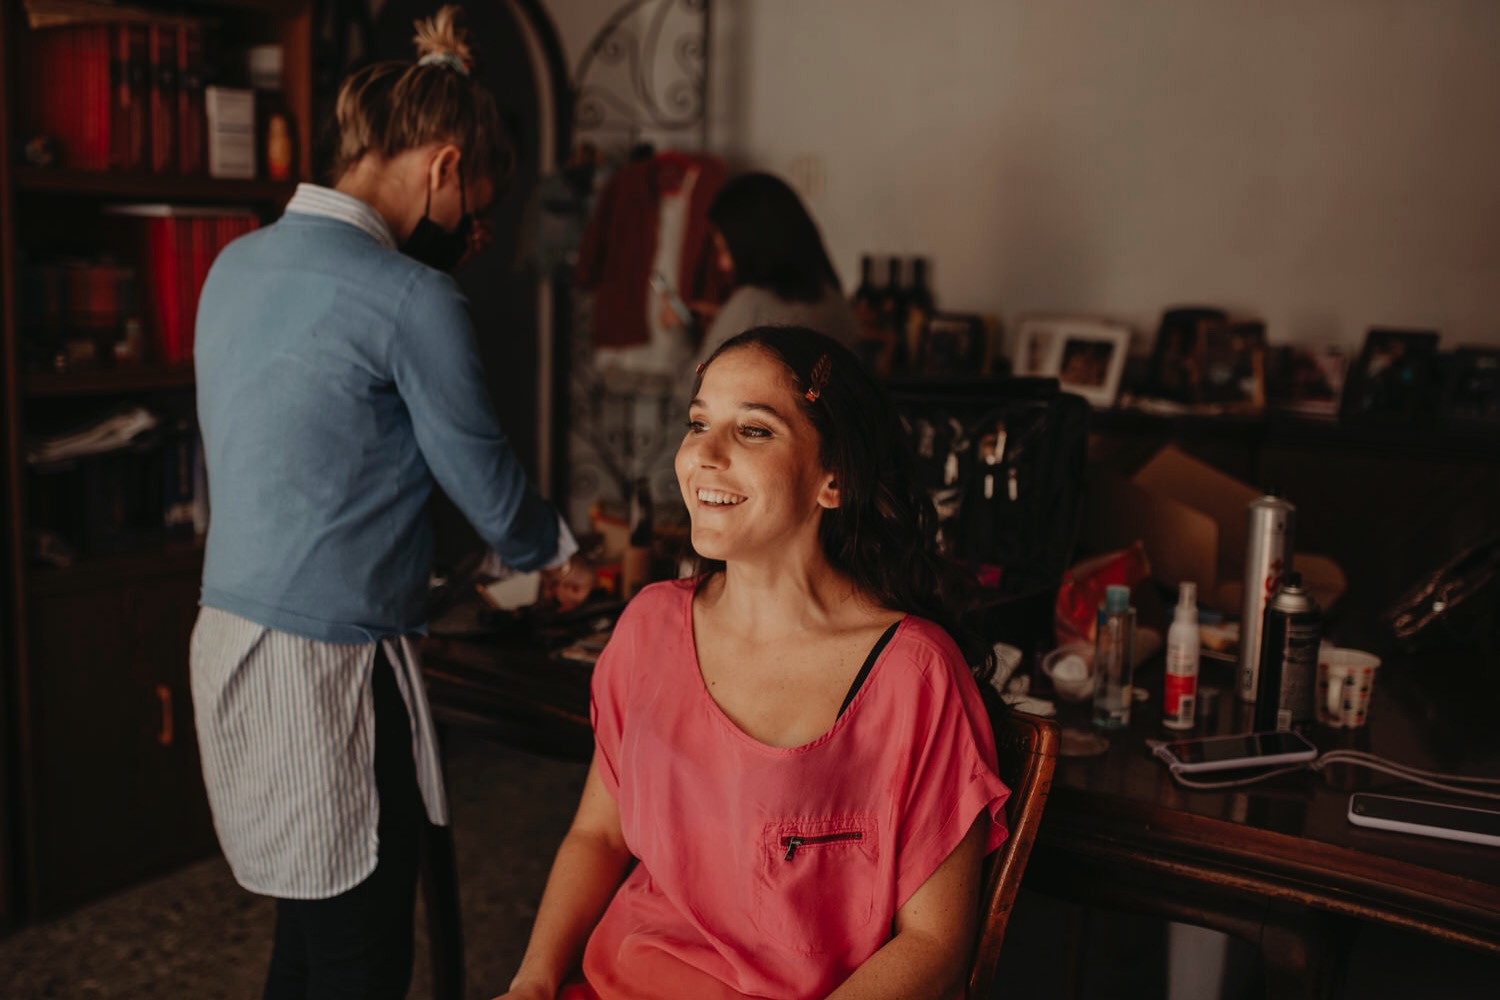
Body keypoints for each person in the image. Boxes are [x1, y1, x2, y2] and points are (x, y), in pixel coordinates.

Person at [190, 7, 579, 997]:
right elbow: (483, 476)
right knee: (362, 955)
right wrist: (557, 553)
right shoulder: (412, 298)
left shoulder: (233, 264)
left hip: (229, 640)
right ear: (445, 167)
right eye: (475, 200)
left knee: (306, 933)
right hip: (331, 670)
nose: (472, 229)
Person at [498, 327, 1012, 1000]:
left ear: (834, 479)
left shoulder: (912, 677)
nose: (703, 455)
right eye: (698, 423)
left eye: (754, 431)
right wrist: (532, 983)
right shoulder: (650, 626)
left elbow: (934, 947)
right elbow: (597, 835)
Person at [680, 172, 862, 371]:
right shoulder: (835, 301)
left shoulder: (750, 304)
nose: (723, 264)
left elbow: (694, 385)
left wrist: (676, 331)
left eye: (725, 250)